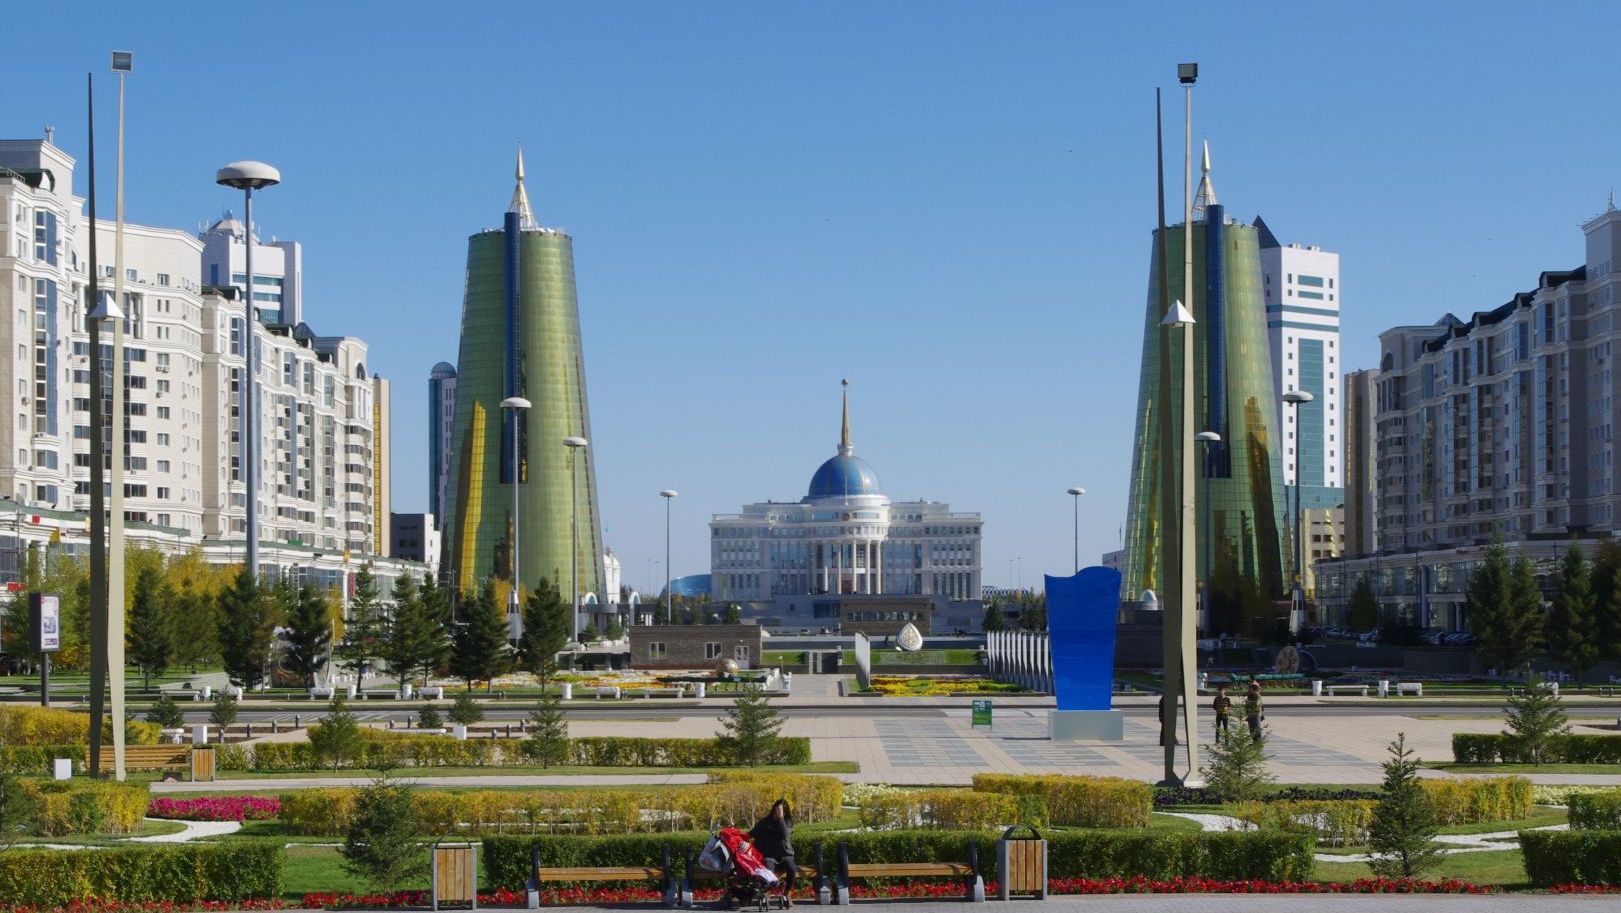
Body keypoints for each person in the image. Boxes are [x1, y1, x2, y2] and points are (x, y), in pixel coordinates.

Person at [749, 799, 796, 906]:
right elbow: (751, 834)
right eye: (777, 810)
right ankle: (766, 893)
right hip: (769, 856)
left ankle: (787, 893)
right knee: (768, 871)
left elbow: (785, 834)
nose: (778, 813)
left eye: (781, 811)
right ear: (773, 809)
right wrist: (737, 837)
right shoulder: (765, 822)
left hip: (785, 855)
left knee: (792, 869)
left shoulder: (787, 822)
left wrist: (781, 818)